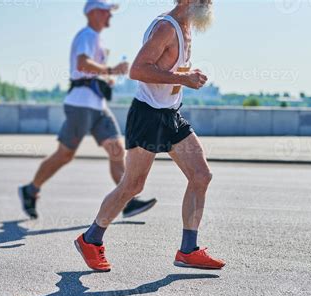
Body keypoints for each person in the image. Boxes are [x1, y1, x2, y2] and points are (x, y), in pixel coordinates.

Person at [74, 0, 225, 272]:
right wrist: (185, 78)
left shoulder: (185, 27)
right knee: (132, 185)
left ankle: (188, 249)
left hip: (170, 115)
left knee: (201, 175)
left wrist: (185, 75)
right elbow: (138, 70)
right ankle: (91, 238)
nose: (210, 3)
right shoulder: (167, 28)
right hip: (148, 116)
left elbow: (162, 67)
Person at [18, 0, 157, 220]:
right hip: (80, 105)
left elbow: (89, 70)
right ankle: (31, 189)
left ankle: (127, 202)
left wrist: (107, 78)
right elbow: (82, 64)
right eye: (107, 12)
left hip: (97, 105)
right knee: (65, 154)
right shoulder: (86, 35)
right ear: (94, 13)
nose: (110, 16)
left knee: (117, 151)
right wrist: (110, 69)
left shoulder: (97, 39)